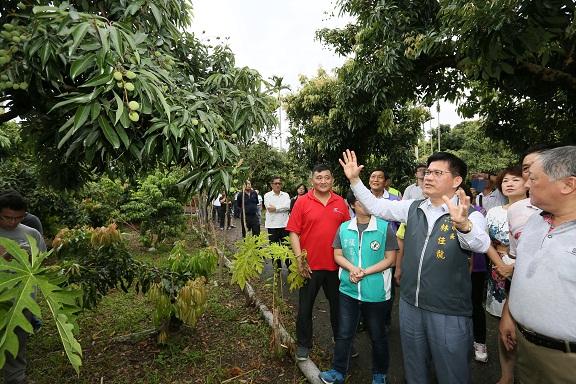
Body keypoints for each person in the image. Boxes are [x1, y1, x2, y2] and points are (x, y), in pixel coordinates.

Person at [340, 149, 490, 384]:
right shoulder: (412, 207)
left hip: (448, 310)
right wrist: (355, 180)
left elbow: (481, 243)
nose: (428, 177)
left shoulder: (470, 215)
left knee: (452, 373)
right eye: (428, 172)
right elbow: (376, 207)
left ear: (457, 180)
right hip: (410, 305)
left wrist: (463, 225)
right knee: (414, 368)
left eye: (438, 173)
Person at [499, 146, 576, 384]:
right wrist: (509, 315)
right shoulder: (535, 220)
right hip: (525, 345)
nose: (527, 184)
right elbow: (522, 272)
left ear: (567, 185)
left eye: (533, 178)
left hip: (566, 359)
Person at [319, 191, 398, 384]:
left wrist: (365, 271)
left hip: (376, 293)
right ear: (352, 205)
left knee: (377, 335)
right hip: (348, 291)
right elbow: (338, 255)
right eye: (361, 201)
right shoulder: (344, 228)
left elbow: (390, 259)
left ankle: (379, 373)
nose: (367, 204)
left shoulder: (384, 228)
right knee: (344, 333)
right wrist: (353, 269)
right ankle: (338, 370)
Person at [286, 164, 351, 361]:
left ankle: (342, 341)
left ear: (332, 180)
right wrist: (300, 261)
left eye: (327, 177)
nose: (323, 181)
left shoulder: (340, 202)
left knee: (339, 307)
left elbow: (347, 232)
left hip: (336, 266)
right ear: (312, 181)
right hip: (309, 266)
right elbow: (293, 232)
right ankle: (303, 344)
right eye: (319, 177)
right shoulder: (302, 202)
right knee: (305, 306)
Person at [482, 166, 527, 382]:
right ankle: (506, 375)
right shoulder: (493, 212)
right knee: (503, 322)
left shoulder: (538, 212)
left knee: (527, 324)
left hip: (526, 269)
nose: (508, 183)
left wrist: (514, 266)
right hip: (498, 268)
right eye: (505, 180)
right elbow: (485, 241)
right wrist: (499, 264)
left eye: (515, 180)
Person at [0, 189, 47, 384]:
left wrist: (26, 256)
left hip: (20, 299)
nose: (12, 222)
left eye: (18, 218)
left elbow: (40, 264)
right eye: (7, 218)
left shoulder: (32, 234)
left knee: (16, 342)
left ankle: (15, 379)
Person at [263, 177, 291, 268]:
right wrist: (281, 208)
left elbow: (288, 206)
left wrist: (276, 208)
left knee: (286, 248)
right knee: (274, 249)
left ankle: (290, 268)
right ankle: (277, 268)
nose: (277, 185)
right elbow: (269, 208)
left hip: (285, 225)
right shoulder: (267, 195)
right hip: (272, 226)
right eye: (275, 183)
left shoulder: (286, 195)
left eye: (279, 183)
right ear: (272, 185)